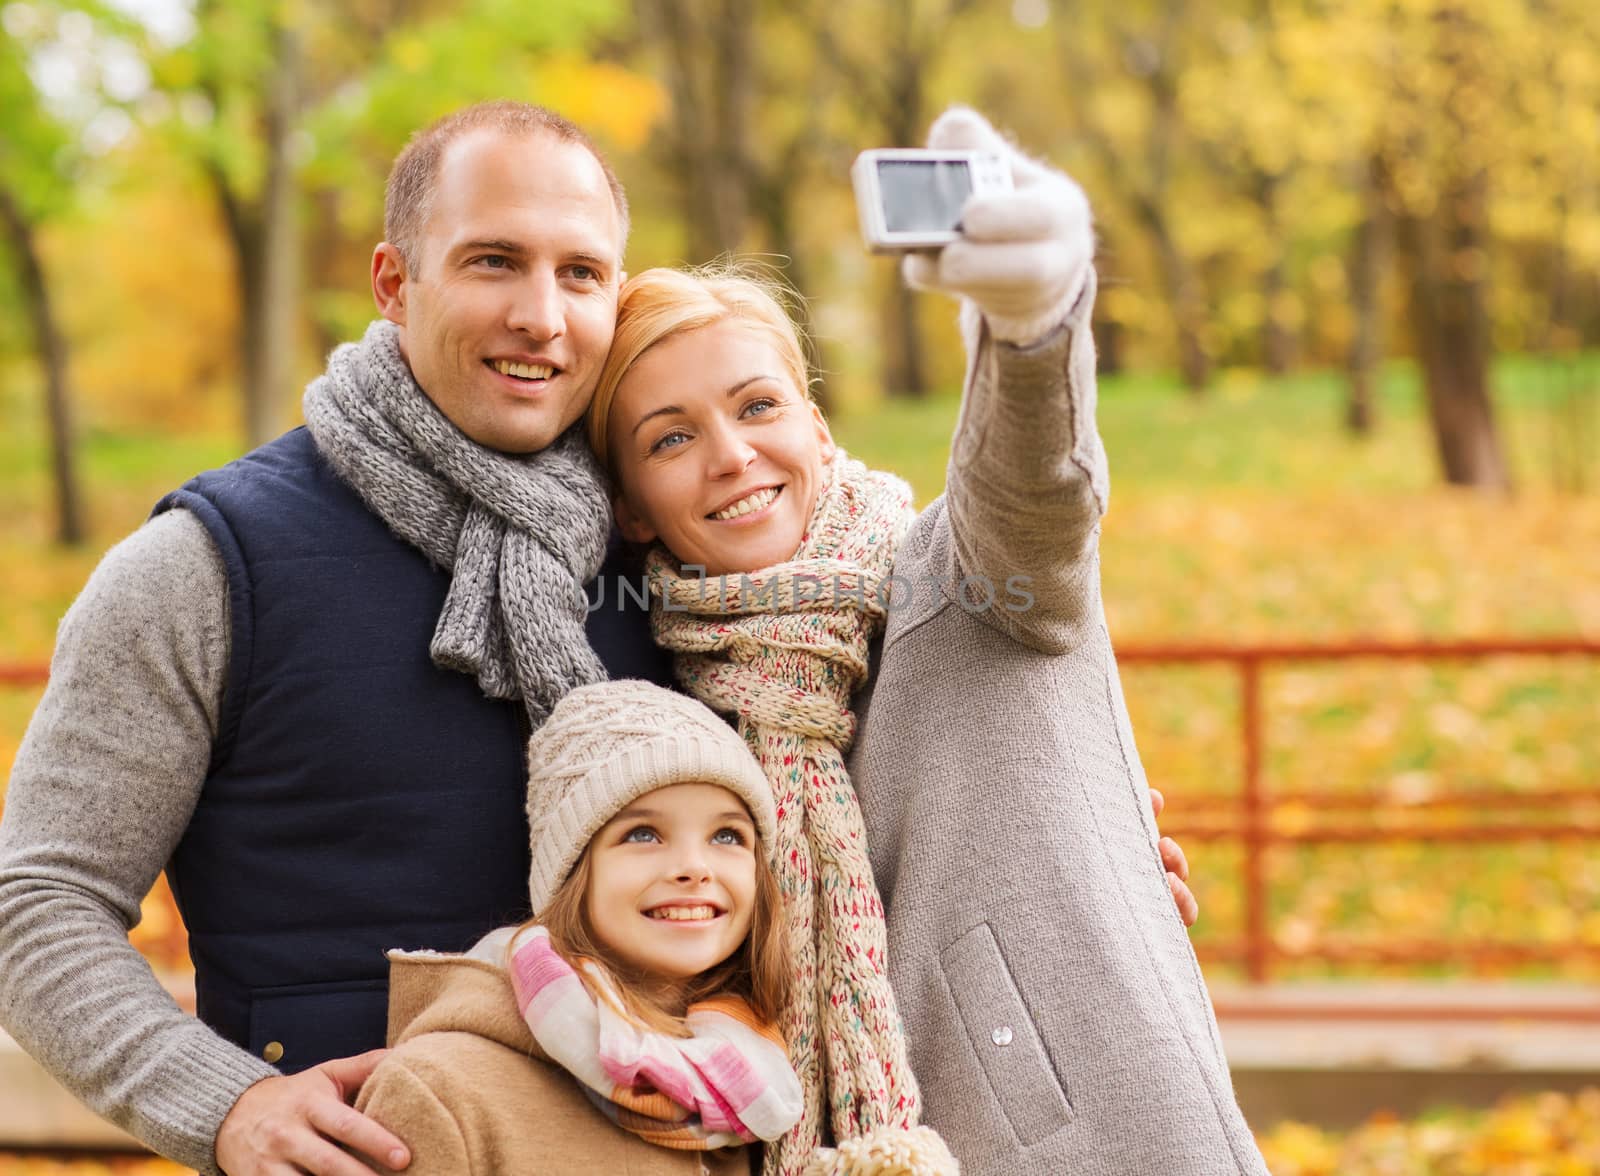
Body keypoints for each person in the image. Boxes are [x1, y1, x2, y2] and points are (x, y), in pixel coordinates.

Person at [0, 98, 1195, 1175]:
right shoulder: (210, 566)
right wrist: (224, 1106)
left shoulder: (672, 544)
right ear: (391, 281)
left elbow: (877, 710)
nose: (541, 315)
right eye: (492, 263)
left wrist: (1068, 825)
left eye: (582, 274)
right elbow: (37, 900)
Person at [586, 110, 1269, 1175]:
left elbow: (1033, 486)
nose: (729, 455)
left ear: (816, 428)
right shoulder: (673, 724)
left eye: (756, 406)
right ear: (632, 506)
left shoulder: (960, 579)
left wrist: (1029, 322)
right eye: (671, 437)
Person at [353, 679, 801, 1174]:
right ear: (571, 873)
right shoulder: (441, 1087)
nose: (695, 867)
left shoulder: (760, 1082)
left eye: (726, 834)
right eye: (643, 833)